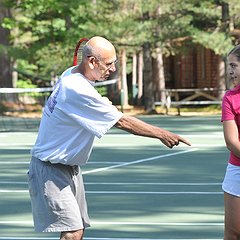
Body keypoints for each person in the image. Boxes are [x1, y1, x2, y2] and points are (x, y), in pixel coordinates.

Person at [27, 36, 191, 240]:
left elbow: (93, 103)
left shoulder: (71, 74)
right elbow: (122, 122)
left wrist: (104, 104)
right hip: (50, 169)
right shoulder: (76, 89)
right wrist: (162, 134)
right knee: (72, 232)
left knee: (78, 229)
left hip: (69, 168)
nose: (113, 69)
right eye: (109, 64)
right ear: (91, 61)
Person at [222, 44, 240, 240]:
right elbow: (232, 141)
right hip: (238, 171)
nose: (229, 71)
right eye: (229, 66)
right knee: (233, 234)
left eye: (234, 66)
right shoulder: (230, 98)